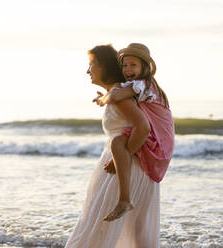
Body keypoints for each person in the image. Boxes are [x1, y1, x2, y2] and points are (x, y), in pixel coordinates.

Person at [64, 44, 160, 248]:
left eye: (92, 65)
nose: (88, 71)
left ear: (105, 66)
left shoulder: (120, 95)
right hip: (130, 164)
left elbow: (143, 128)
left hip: (125, 167)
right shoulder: (118, 93)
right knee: (136, 231)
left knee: (100, 226)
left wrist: (120, 160)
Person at [93, 43, 175, 222]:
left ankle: (124, 200)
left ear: (145, 67)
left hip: (158, 138)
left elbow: (114, 96)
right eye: (124, 65)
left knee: (117, 143)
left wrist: (102, 100)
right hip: (162, 138)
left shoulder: (142, 84)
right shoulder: (147, 85)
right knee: (119, 142)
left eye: (133, 65)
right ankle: (124, 199)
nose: (128, 69)